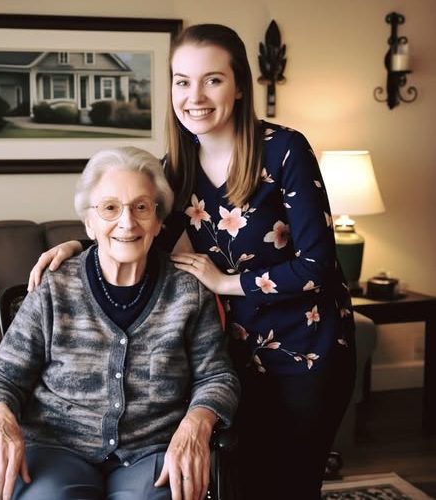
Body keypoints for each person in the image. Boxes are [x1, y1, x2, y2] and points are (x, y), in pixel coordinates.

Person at [28, 24, 356, 499]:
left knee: (290, 486)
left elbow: (316, 266)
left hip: (306, 353)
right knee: (241, 487)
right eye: (182, 81)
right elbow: (144, 236)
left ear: (238, 86)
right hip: (236, 358)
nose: (194, 96)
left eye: (212, 80)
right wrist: (79, 246)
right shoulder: (178, 167)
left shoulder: (284, 150)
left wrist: (224, 283)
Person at [0, 146, 239, 500]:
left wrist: (196, 426)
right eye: (110, 208)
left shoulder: (188, 291)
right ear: (89, 222)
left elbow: (217, 377)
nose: (127, 222)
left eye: (141, 207)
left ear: (159, 221)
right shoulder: (55, 287)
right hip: (56, 449)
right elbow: (0, 375)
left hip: (151, 452)